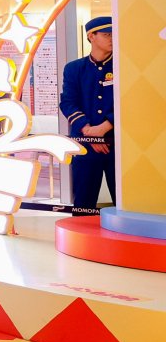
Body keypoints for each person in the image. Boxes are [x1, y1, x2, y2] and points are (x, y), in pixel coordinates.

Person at [61, 17, 115, 213]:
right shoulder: (74, 68)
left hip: (117, 145)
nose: (112, 39)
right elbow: (67, 102)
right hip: (85, 145)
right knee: (83, 204)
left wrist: (104, 128)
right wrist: (89, 132)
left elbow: (128, 101)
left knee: (124, 202)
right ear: (91, 36)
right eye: (107, 35)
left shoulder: (124, 65)